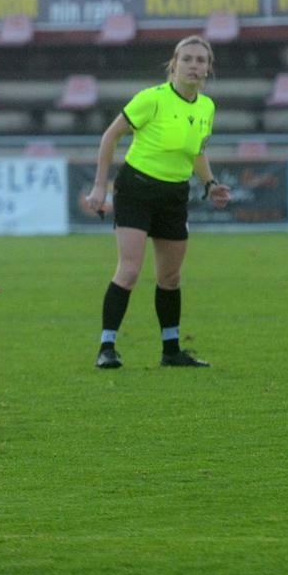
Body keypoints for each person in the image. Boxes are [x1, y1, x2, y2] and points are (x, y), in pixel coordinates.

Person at [85, 35, 231, 370]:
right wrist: (99, 187)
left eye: (201, 60)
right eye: (188, 59)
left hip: (174, 195)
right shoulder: (152, 99)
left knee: (171, 277)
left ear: (209, 68)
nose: (195, 66)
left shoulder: (207, 107)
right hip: (136, 189)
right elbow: (110, 136)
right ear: (174, 64)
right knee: (130, 269)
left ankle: (171, 351)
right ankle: (106, 347)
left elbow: (198, 151)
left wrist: (209, 184)